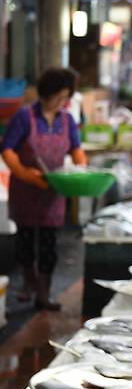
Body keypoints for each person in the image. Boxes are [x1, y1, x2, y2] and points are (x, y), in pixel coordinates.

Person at [1, 68, 87, 310]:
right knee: (26, 244)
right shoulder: (24, 117)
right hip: (26, 191)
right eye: (58, 97)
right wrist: (24, 173)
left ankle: (43, 294)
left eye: (65, 97)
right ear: (46, 93)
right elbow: (8, 150)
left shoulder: (67, 120)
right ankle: (28, 284)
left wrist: (82, 166)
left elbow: (76, 149)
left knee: (49, 246)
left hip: (53, 192)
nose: (61, 102)